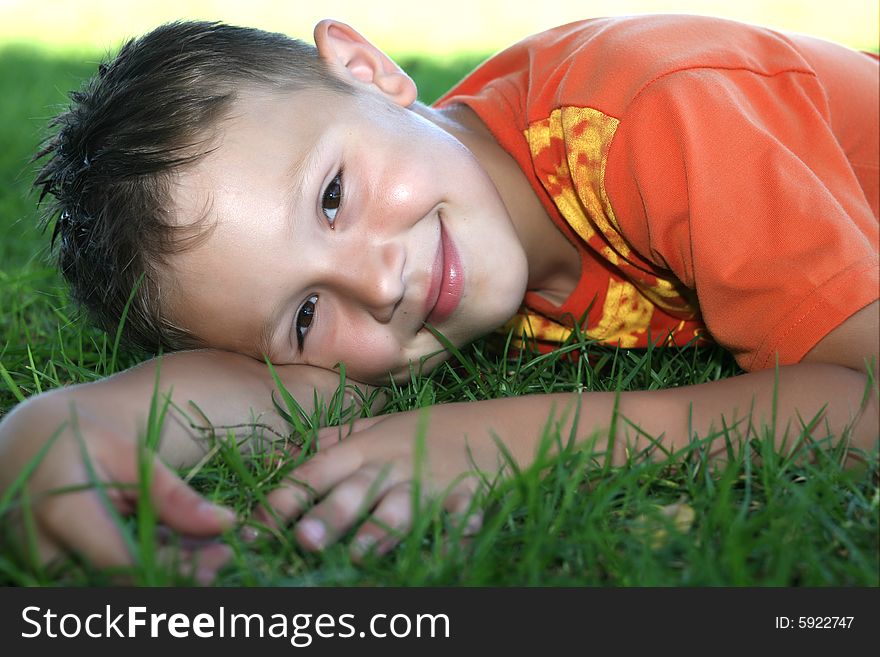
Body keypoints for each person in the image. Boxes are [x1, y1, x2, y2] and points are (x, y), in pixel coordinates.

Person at [0, 15, 876, 582]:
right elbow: (284, 391)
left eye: (333, 196)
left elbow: (865, 393)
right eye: (306, 314)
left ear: (369, 70)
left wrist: (522, 434)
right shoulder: (440, 230)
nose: (379, 283)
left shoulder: (661, 112)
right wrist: (53, 425)